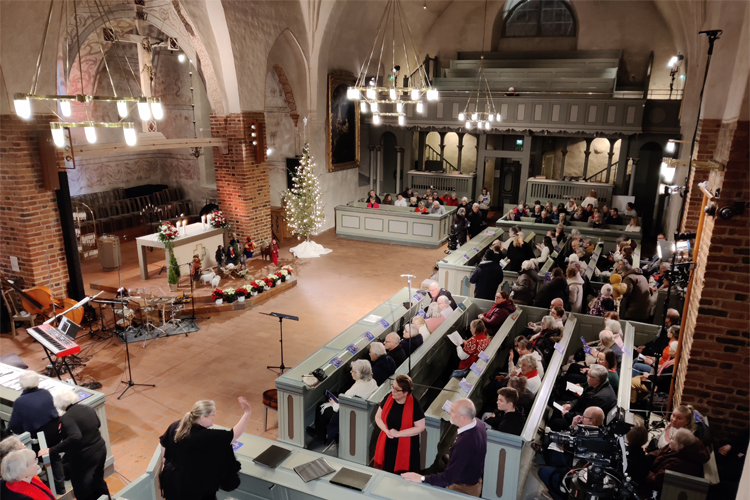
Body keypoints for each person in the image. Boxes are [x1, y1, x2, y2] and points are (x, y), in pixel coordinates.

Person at [160, 397, 251, 500]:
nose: (215, 417)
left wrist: (165, 463)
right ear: (203, 417)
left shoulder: (177, 425)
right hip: (192, 488)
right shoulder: (205, 436)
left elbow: (163, 444)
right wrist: (247, 413)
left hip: (171, 480)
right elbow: (234, 435)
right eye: (213, 414)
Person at [401, 399, 486, 496]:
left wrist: (421, 478)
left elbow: (448, 478)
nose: (450, 412)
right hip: (473, 481)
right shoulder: (479, 424)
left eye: (453, 411)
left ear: (463, 417)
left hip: (462, 489)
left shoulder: (464, 443)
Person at [39, 388, 110, 500]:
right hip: (100, 449)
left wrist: (51, 450)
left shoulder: (67, 417)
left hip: (84, 457)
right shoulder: (87, 408)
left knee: (82, 489)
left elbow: (75, 436)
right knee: (98, 482)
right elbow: (98, 423)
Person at [8, 371, 64, 493]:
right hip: (55, 433)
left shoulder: (20, 402)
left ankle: (39, 485)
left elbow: (14, 425)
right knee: (54, 457)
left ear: (22, 384)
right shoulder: (45, 393)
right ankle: (60, 487)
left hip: (38, 439)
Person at [538, 407, 605, 500]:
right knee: (553, 455)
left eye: (584, 417)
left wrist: (573, 427)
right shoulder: (599, 431)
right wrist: (573, 426)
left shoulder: (590, 438)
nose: (581, 418)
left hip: (579, 472)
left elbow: (568, 449)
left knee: (543, 471)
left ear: (592, 421)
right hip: (578, 464)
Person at [307, 360, 377, 444]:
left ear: (359, 374)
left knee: (320, 406)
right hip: (362, 410)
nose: (351, 372)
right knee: (336, 394)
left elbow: (340, 409)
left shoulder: (354, 391)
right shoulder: (372, 381)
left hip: (348, 415)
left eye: (353, 371)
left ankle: (319, 435)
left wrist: (333, 403)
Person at [374, 375, 425, 473]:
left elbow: (420, 427)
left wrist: (399, 433)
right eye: (392, 386)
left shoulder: (414, 404)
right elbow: (378, 417)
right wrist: (386, 430)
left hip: (407, 447)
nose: (392, 391)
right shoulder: (388, 398)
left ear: (405, 392)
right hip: (387, 444)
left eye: (397, 389)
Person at [642, 429, 710, 496]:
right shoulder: (676, 447)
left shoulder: (679, 464)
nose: (670, 440)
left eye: (673, 439)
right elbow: (659, 452)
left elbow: (656, 481)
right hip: (653, 472)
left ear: (681, 446)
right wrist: (645, 457)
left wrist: (644, 472)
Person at [548, 365, 616, 431]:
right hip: (581, 411)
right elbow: (583, 399)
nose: (586, 376)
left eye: (589, 376)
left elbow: (586, 416)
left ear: (596, 380)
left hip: (585, 423)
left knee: (555, 422)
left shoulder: (600, 398)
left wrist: (567, 415)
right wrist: (571, 405)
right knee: (558, 409)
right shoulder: (598, 385)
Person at [619, 257, 650, 322]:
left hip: (634, 311)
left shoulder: (629, 278)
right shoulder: (642, 276)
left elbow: (626, 293)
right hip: (645, 310)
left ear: (624, 272)